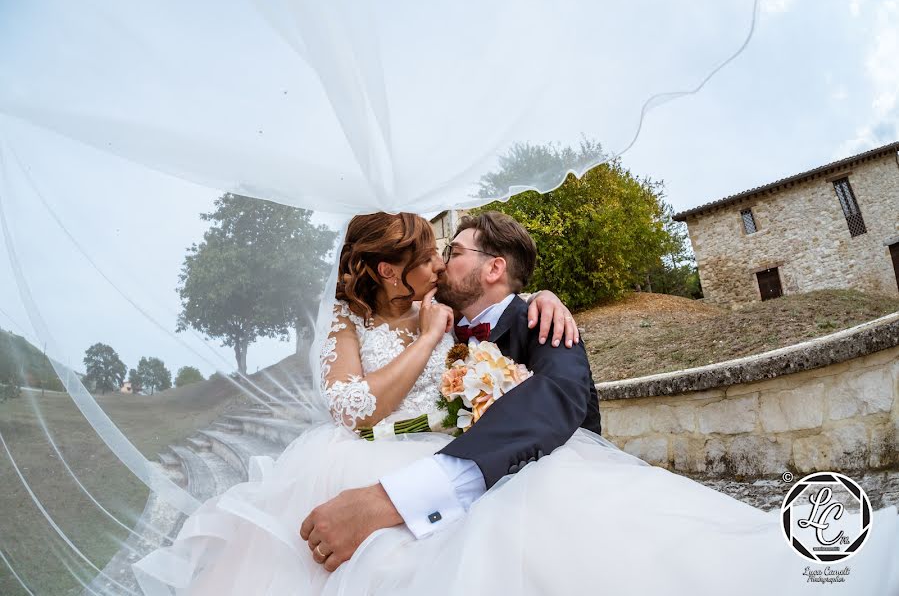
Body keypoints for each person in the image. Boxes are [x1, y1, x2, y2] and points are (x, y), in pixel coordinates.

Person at [135, 212, 899, 595]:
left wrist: (400, 495)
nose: (439, 258)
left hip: (526, 490)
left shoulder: (534, 316)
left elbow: (560, 403)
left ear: (494, 268)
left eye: (454, 249)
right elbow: (375, 396)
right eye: (432, 252)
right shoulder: (410, 321)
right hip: (396, 460)